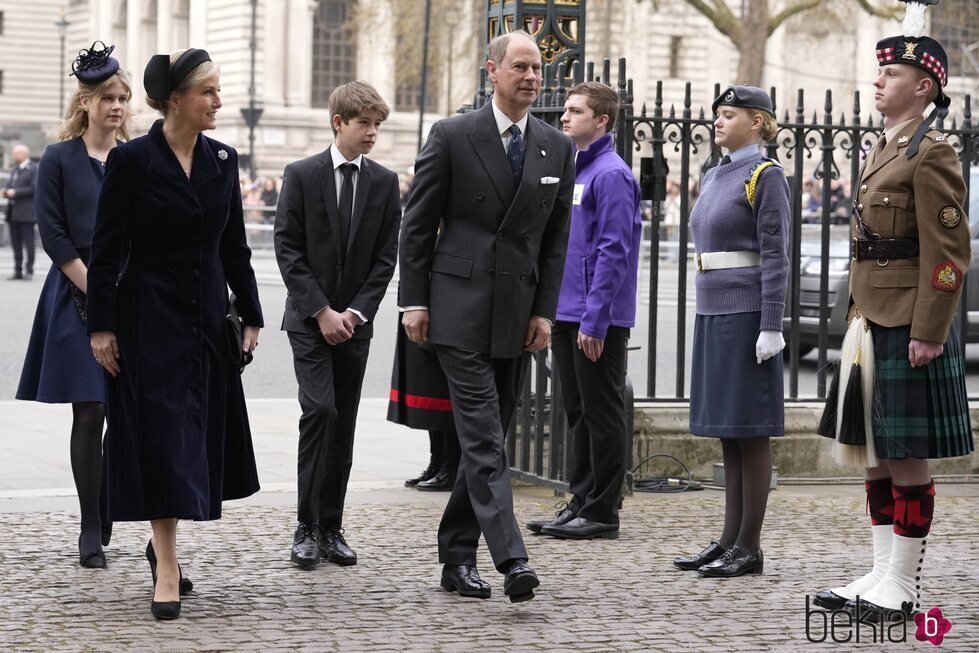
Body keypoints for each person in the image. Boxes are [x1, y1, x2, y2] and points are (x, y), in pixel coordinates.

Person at [87, 48, 264, 620]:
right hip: (147, 324)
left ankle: (161, 542)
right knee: (160, 441)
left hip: (206, 324)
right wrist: (102, 326)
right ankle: (167, 563)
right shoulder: (133, 161)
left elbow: (233, 244)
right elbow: (107, 251)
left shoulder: (223, 157)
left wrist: (252, 314)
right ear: (178, 99)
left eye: (217, 90)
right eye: (209, 92)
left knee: (191, 443)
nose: (218, 101)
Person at [399, 30, 574, 603]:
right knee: (484, 440)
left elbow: (555, 243)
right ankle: (511, 558)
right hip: (459, 309)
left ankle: (454, 557)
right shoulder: (452, 135)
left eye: (538, 70)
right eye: (520, 67)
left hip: (517, 314)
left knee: (488, 442)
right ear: (491, 71)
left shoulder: (555, 146)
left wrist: (544, 312)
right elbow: (417, 226)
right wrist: (415, 300)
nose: (530, 77)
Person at [813, 1, 972, 621]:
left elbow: (948, 252)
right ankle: (880, 573)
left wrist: (930, 330)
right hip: (872, 319)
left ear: (924, 85)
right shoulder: (890, 146)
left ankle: (902, 586)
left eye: (891, 74)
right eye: (878, 72)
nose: (877, 80)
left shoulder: (932, 152)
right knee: (877, 449)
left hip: (909, 320)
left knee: (906, 454)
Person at [275, 81, 400, 569]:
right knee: (320, 412)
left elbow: (384, 259)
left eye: (376, 125)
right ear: (339, 123)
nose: (372, 133)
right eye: (364, 123)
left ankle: (331, 527)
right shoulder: (302, 174)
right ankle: (305, 525)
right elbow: (289, 248)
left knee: (343, 423)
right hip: (310, 322)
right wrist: (322, 311)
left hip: (355, 324)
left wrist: (355, 313)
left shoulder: (385, 182)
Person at [15, 42, 131, 570]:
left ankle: (110, 501)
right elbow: (54, 235)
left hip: (131, 293)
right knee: (90, 409)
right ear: (86, 102)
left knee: (124, 409)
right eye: (108, 97)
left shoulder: (134, 158)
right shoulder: (58, 158)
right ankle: (90, 523)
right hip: (73, 291)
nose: (117, 106)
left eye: (124, 97)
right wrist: (95, 291)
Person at [672, 85, 789, 578]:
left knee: (751, 431)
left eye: (730, 114)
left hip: (746, 314)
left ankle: (750, 545)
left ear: (759, 122)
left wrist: (770, 323)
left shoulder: (766, 175)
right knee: (727, 431)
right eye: (717, 114)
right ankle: (728, 540)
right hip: (714, 308)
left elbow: (776, 255)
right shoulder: (716, 172)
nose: (718, 121)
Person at [525, 82, 641, 541]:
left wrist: (595, 319)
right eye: (565, 110)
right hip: (568, 311)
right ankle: (581, 499)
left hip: (598, 319)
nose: (564, 118)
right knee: (576, 410)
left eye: (575, 111)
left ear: (602, 121)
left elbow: (614, 251)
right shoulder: (575, 170)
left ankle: (602, 511)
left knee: (601, 411)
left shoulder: (612, 174)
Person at [389, 301, 460, 492]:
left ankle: (451, 466)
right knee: (429, 388)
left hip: (443, 304)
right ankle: (436, 461)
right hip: (421, 303)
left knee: (443, 389)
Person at [5, 144, 37, 280]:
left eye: (15, 153)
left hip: (27, 214)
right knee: (16, 243)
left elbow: (34, 188)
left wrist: (16, 192)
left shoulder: (33, 169)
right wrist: (6, 191)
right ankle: (17, 270)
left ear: (23, 154)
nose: (13, 156)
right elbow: (10, 185)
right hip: (13, 213)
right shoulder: (15, 170)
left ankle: (29, 270)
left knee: (29, 243)